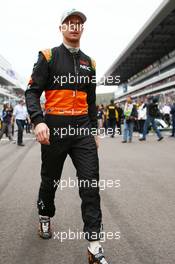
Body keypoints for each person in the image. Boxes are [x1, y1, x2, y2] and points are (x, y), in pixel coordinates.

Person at [25, 9, 109, 264]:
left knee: (90, 184)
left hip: (82, 128)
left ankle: (94, 246)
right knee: (50, 179)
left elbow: (91, 101)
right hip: (55, 128)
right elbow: (31, 92)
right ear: (61, 28)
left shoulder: (90, 63)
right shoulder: (48, 56)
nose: (74, 27)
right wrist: (38, 121)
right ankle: (44, 216)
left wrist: (94, 130)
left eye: (78, 24)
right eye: (69, 23)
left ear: (82, 29)